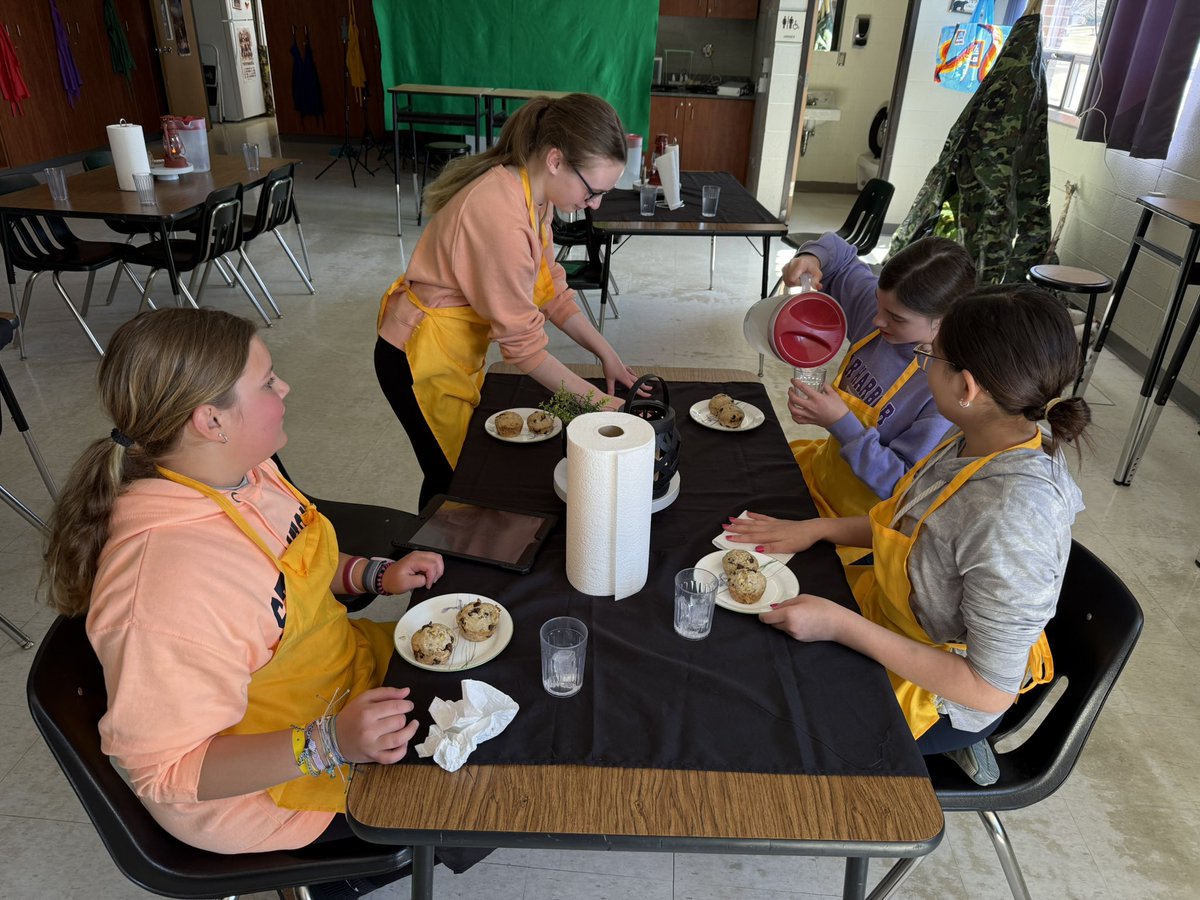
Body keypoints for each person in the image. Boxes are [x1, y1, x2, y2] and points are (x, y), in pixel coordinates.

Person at [41, 308, 480, 892]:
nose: (286, 388)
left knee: (499, 670)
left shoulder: (245, 472)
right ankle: (331, 880)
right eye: (268, 381)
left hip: (339, 680)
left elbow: (292, 568)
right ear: (211, 420)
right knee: (489, 779)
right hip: (268, 791)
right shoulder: (166, 590)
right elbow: (168, 773)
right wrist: (330, 742)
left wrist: (374, 576)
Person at [724, 284, 1090, 784]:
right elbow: (912, 525)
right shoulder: (973, 437)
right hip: (893, 619)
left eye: (929, 357)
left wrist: (841, 626)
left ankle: (947, 746)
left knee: (762, 720)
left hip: (944, 687)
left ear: (966, 388)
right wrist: (817, 528)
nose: (922, 365)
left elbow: (988, 689)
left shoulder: (1013, 516)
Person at [376, 92, 640, 508]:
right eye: (593, 191)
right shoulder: (500, 214)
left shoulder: (536, 196)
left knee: (453, 471)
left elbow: (551, 291)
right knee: (454, 479)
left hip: (451, 349)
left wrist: (606, 353)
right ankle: (429, 545)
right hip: (416, 356)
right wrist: (596, 404)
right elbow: (524, 349)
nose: (595, 205)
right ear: (555, 160)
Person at [779, 233, 976, 564]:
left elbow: (903, 487)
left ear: (945, 321)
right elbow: (839, 252)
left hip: (860, 529)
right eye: (878, 303)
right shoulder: (882, 315)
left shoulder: (942, 390)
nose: (876, 320)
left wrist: (841, 423)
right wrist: (811, 258)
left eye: (896, 318)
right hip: (820, 475)